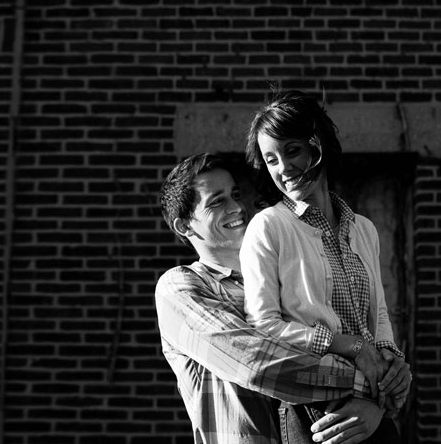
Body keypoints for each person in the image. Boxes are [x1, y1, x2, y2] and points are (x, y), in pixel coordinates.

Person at [155, 152, 407, 444]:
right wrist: (370, 385)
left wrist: (378, 396)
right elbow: (255, 362)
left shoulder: (281, 277)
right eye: (217, 201)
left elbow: (346, 337)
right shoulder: (182, 287)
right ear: (184, 226)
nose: (237, 207)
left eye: (235, 195)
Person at [240, 90, 412, 443]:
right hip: (312, 410)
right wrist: (351, 346)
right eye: (271, 159)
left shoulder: (363, 228)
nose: (283, 169)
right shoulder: (268, 227)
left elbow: (378, 313)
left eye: (292, 151)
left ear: (317, 145)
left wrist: (391, 360)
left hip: (372, 405)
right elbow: (263, 327)